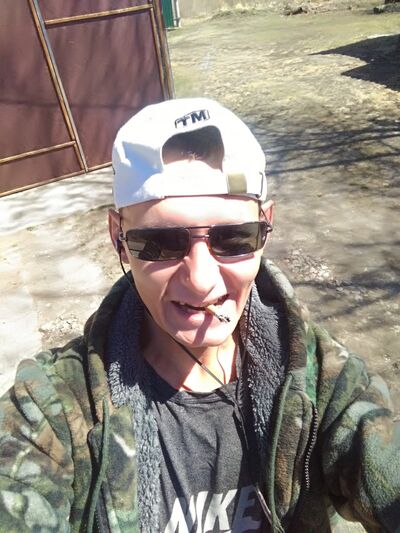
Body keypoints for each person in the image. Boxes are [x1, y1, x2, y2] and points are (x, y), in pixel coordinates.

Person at [0, 98, 399, 533]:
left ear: (266, 226)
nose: (202, 281)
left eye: (234, 237)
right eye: (161, 243)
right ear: (118, 238)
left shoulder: (322, 380)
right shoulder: (55, 408)